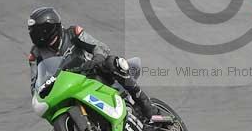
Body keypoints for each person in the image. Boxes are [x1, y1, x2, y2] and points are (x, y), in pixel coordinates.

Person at [26, 7, 155, 119]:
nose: (35, 36)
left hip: (92, 72)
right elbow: (35, 86)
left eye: (37, 32)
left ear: (49, 29)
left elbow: (100, 47)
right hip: (67, 86)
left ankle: (147, 107)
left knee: (112, 62)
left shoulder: (73, 33)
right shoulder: (35, 55)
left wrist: (97, 58)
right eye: (33, 32)